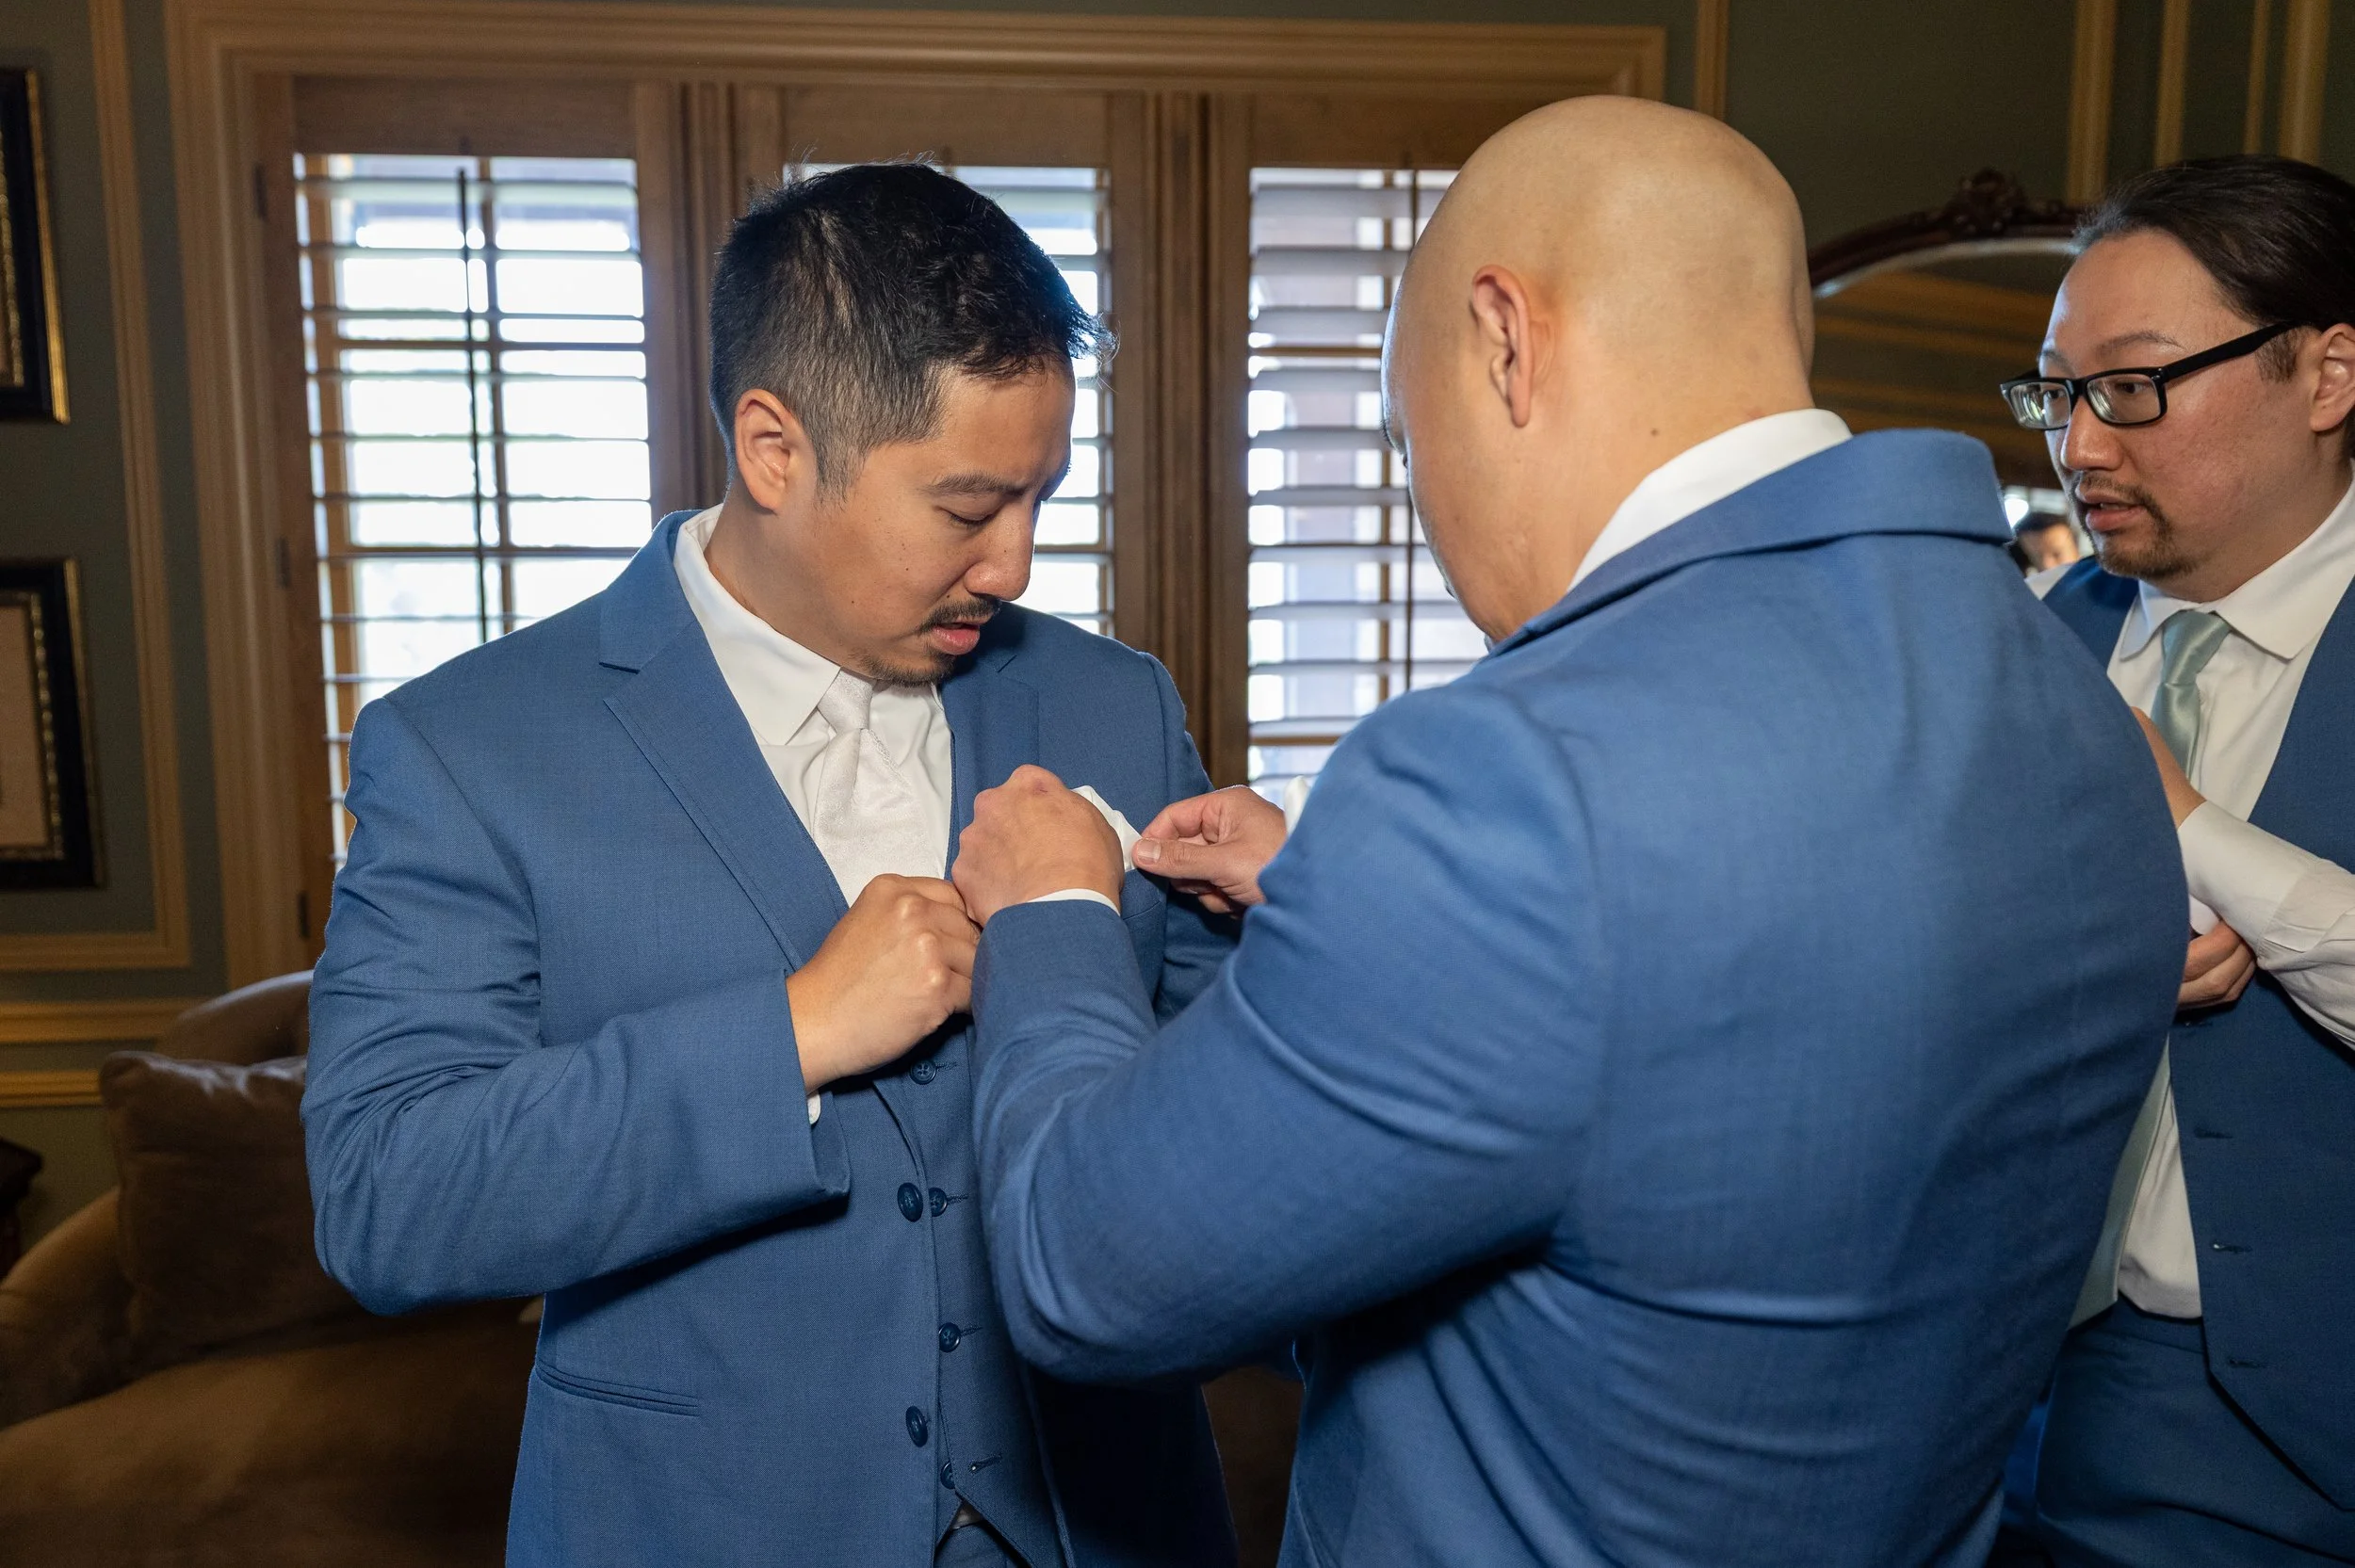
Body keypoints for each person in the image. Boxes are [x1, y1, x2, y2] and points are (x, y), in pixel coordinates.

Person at [947, 98, 2184, 1568]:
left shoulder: (1511, 783)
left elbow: (1087, 1269)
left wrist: (1055, 915)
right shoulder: (2079, 711)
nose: (1424, 500)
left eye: (1409, 435)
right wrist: (1352, 911)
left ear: (1504, 342)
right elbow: (1739, 1046)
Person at [302, 165, 1238, 1568]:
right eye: (968, 507)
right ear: (774, 449)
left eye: (1041, 497)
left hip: (1108, 1519)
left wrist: (1303, 919)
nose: (1017, 564)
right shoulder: (466, 747)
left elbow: (1239, 1110)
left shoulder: (1118, 704)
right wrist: (793, 1034)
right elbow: (389, 1193)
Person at [2008, 154, 2355, 1565]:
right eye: (2056, 393)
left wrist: (2191, 830)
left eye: (2134, 386)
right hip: (2002, 1383)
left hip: (2304, 1426)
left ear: (2326, 375)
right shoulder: (2030, 644)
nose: (2081, 447)